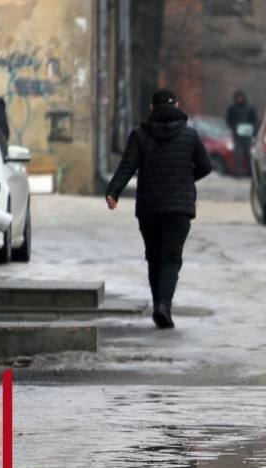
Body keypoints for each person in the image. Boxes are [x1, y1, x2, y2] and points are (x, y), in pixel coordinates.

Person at [106, 88, 212, 328]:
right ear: (177, 104)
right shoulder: (190, 135)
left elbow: (127, 167)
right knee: (171, 257)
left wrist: (113, 191)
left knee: (154, 257)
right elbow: (206, 166)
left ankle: (158, 305)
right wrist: (185, 179)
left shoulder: (139, 136)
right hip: (179, 209)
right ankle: (164, 305)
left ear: (152, 108)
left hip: (149, 207)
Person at [225, 90, 259, 176]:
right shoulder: (232, 108)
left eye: (241, 98)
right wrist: (233, 127)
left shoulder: (250, 108)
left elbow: (255, 120)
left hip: (247, 133)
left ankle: (249, 172)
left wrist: (252, 129)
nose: (239, 99)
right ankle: (237, 172)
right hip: (237, 134)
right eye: (238, 98)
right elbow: (228, 120)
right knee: (237, 153)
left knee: (248, 153)